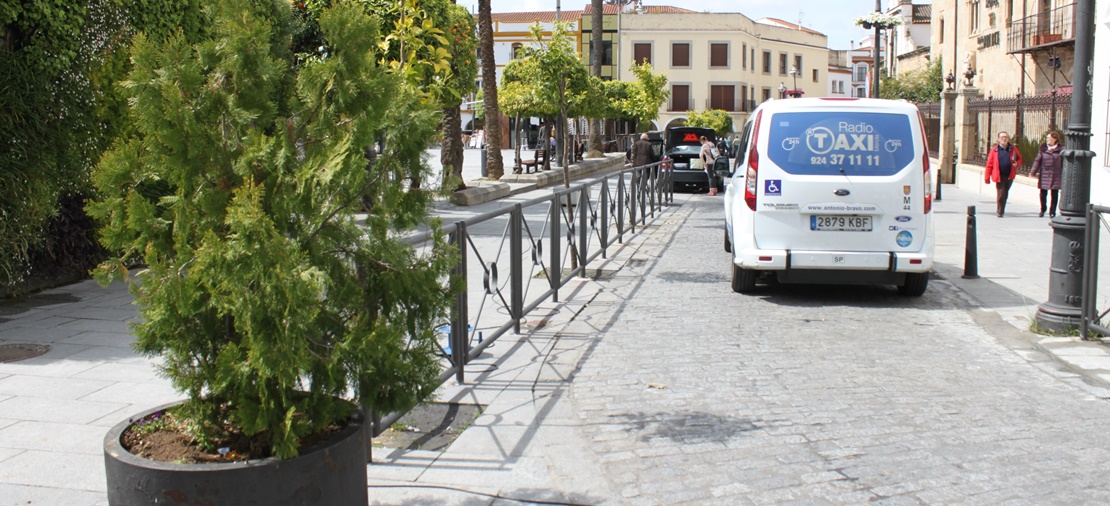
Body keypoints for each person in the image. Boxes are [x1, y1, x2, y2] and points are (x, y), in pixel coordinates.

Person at [983, 131, 1023, 217]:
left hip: (1009, 175)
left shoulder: (1013, 148)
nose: (1004, 139)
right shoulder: (994, 150)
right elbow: (989, 164)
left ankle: (1001, 208)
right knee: (1001, 193)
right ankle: (1000, 211)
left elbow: (1020, 159)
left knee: (1005, 192)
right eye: (1002, 137)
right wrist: (987, 177)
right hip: (999, 175)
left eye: (1005, 137)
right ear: (998, 139)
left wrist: (1017, 164)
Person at [1030, 130, 1064, 218]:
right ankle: (1043, 209)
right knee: (1043, 193)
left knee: (1054, 193)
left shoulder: (1061, 150)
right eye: (1047, 138)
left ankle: (1052, 211)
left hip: (1056, 175)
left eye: (1049, 138)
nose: (1047, 139)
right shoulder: (1043, 149)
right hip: (1045, 174)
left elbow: (1064, 163)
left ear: (1055, 139)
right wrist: (1032, 172)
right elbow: (1037, 161)